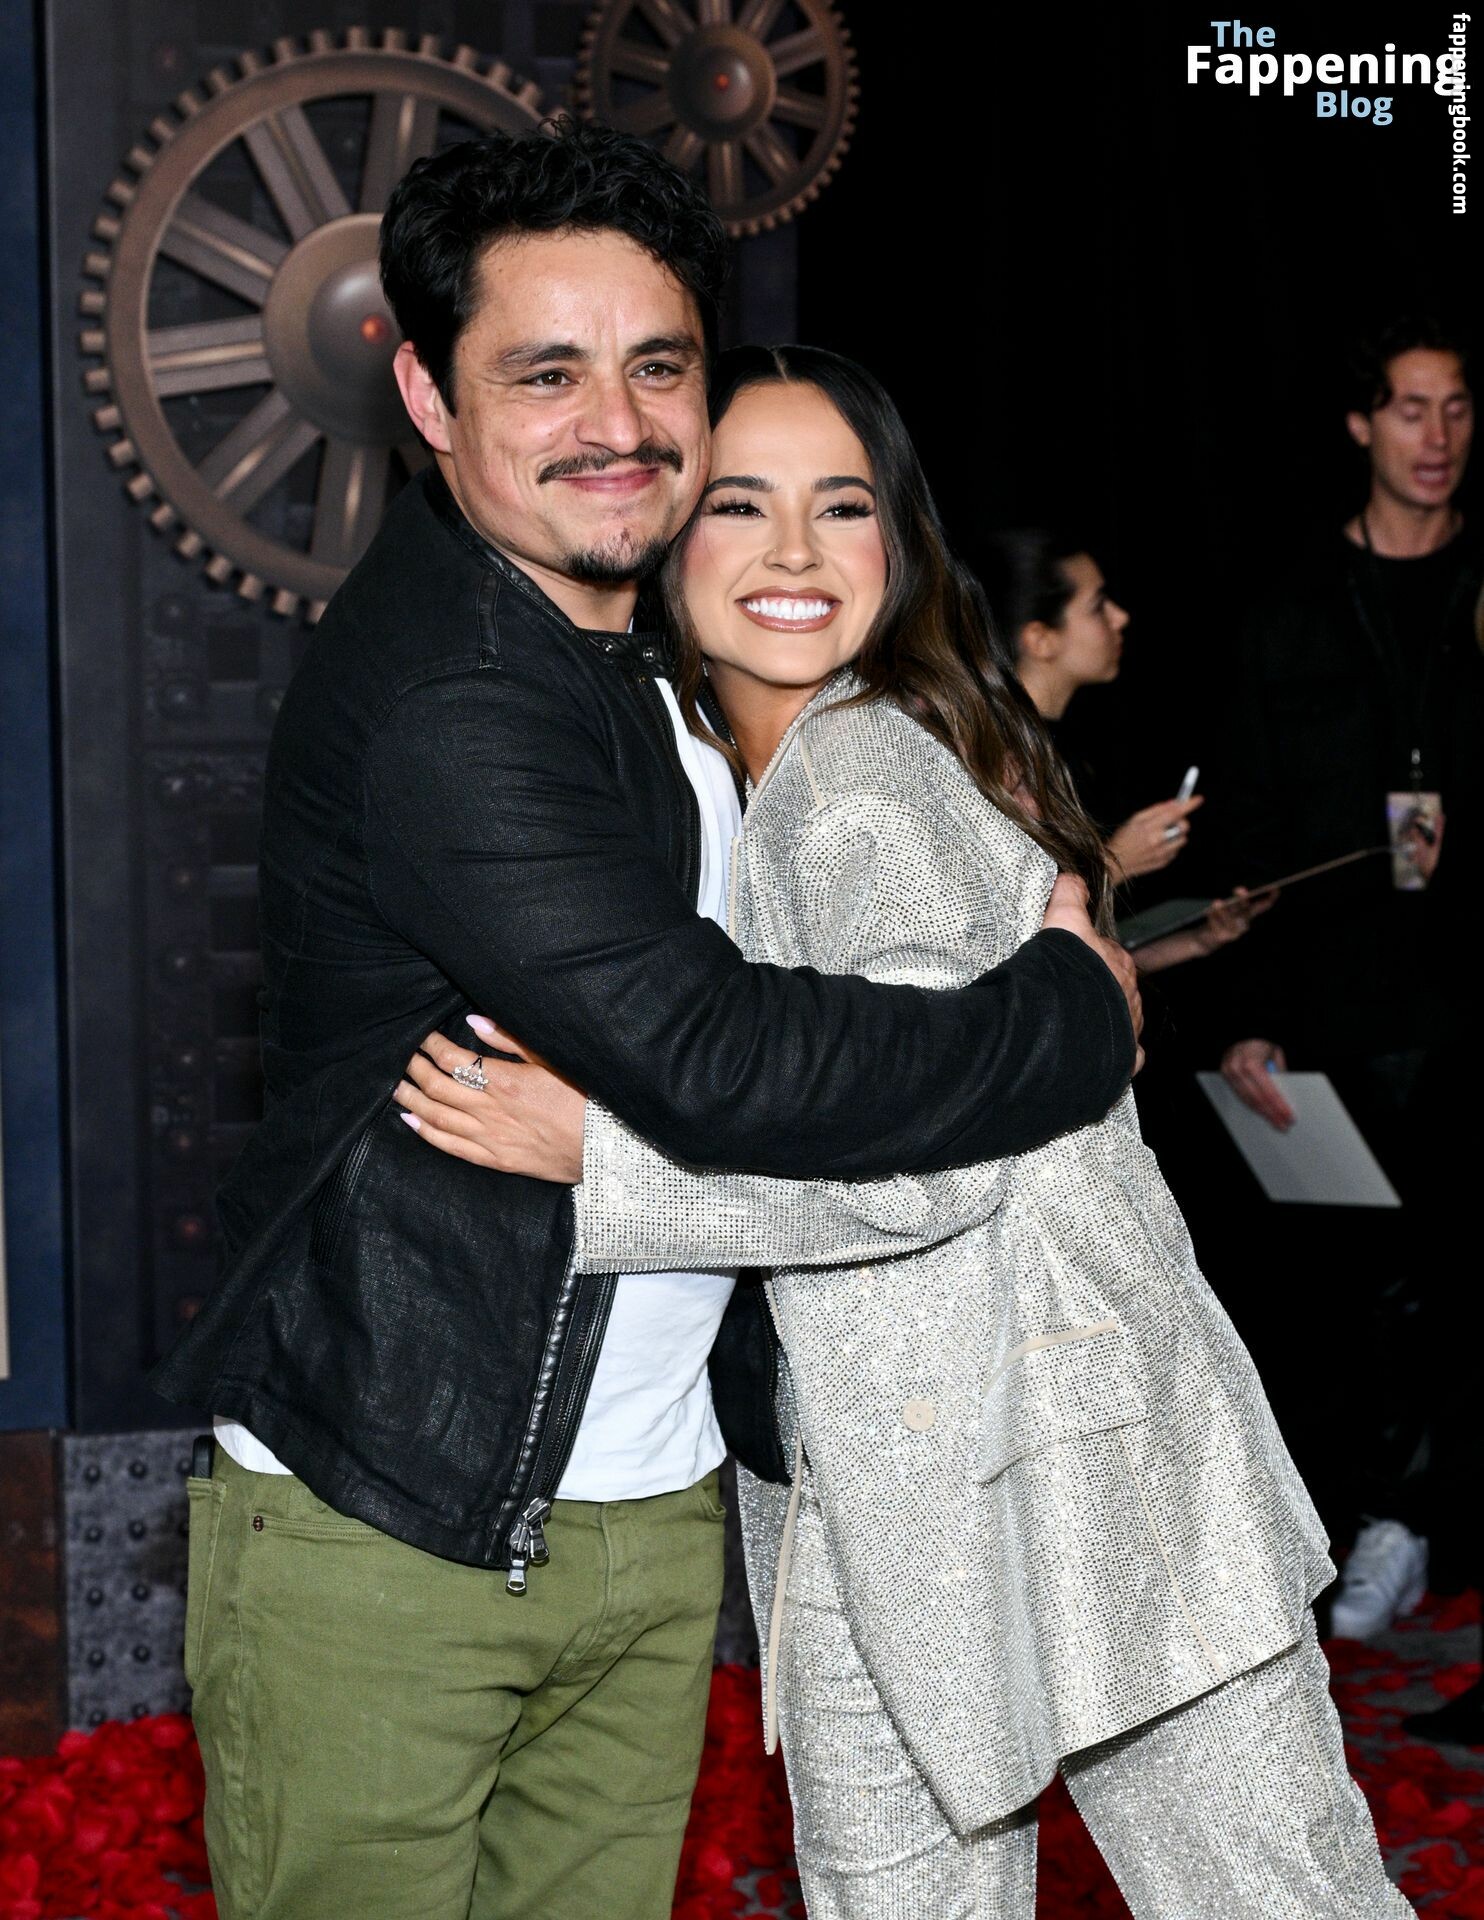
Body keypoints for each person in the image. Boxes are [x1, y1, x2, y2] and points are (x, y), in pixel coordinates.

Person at [147, 125, 1141, 1920]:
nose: (616, 423)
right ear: (429, 399)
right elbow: (717, 1057)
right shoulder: (457, 695)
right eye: (545, 373)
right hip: (395, 1513)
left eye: (658, 366)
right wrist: (1067, 1020)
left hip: (648, 1501)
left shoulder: (656, 665)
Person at [397, 345, 1412, 1917]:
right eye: (744, 503)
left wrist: (604, 1164)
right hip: (904, 1463)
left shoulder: (858, 781)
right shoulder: (757, 778)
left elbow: (922, 1163)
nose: (797, 551)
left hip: (1073, 1454)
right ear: (667, 532)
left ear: (899, 541)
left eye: (843, 504)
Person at [1216, 316, 1482, 1664]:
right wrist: (1248, 1013)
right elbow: (1250, 830)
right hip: (1342, 1005)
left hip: (1471, 999)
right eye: (1410, 408)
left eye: (1457, 407)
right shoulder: (1292, 610)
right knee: (1354, 1290)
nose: (1436, 436)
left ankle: (1420, 1519)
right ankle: (1378, 1517)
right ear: (1360, 426)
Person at [978, 527, 1267, 974]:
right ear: (1040, 639)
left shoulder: (1059, 749)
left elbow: (1087, 959)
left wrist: (1198, 941)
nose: (1120, 617)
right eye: (1098, 606)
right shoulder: (994, 761)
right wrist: (1116, 860)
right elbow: (1003, 947)